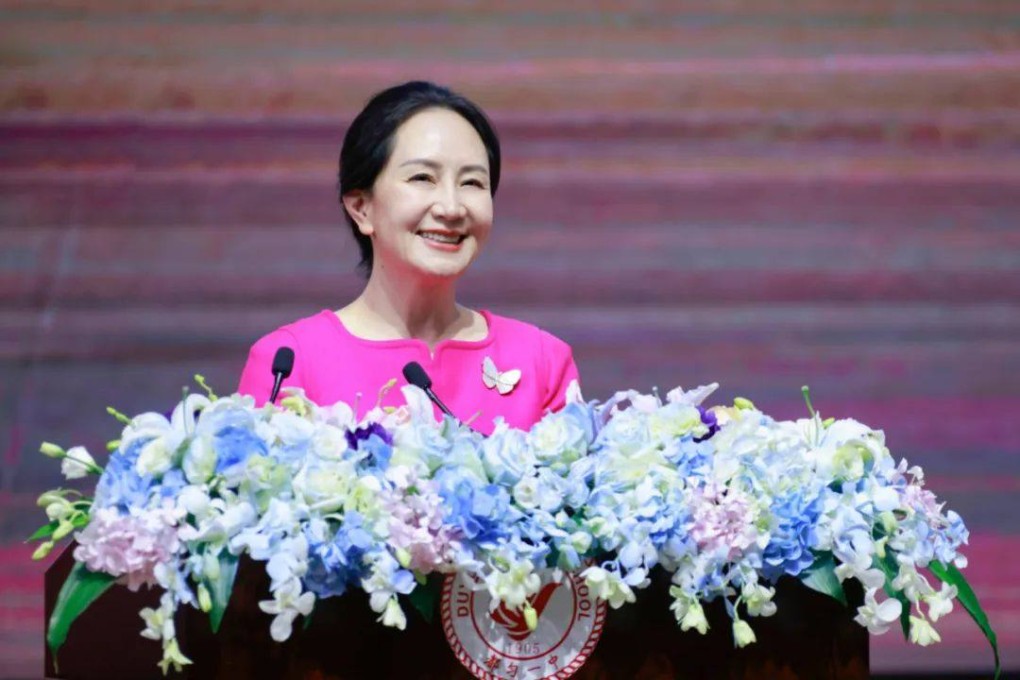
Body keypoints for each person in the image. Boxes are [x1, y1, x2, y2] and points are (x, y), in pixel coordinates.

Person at [237, 81, 578, 435]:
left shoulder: (541, 361)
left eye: (473, 183)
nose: (451, 207)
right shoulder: (289, 364)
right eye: (422, 178)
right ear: (361, 208)